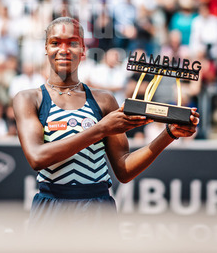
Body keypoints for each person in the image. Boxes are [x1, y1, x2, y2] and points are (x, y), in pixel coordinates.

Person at [13, 17, 199, 233]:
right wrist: (101, 129)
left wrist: (169, 134)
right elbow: (37, 158)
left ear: (83, 49)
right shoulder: (30, 99)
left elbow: (124, 170)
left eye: (72, 43)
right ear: (46, 48)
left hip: (98, 208)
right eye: (55, 43)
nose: (64, 50)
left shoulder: (103, 100)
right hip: (51, 206)